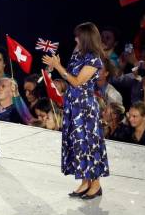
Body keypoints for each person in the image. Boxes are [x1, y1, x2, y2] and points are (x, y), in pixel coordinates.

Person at [42, 22, 109, 200]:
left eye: (78, 36)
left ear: (86, 38)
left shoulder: (94, 59)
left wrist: (58, 67)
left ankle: (96, 184)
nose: (75, 39)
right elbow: (68, 73)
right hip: (73, 105)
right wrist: (52, 66)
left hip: (85, 108)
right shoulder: (78, 52)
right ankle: (85, 182)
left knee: (88, 144)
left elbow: (77, 81)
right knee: (77, 144)